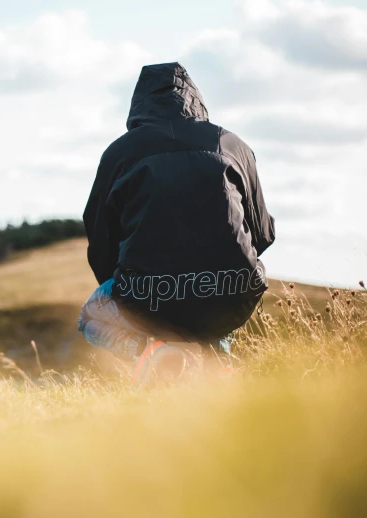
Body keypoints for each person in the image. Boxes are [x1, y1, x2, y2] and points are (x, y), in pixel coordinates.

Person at [78, 62, 275, 384]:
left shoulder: (120, 152)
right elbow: (263, 232)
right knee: (215, 305)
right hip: (234, 288)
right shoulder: (232, 144)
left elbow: (100, 236)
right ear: (195, 97)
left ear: (138, 104)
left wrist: (124, 284)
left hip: (150, 292)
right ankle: (216, 363)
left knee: (89, 316)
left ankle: (149, 349)